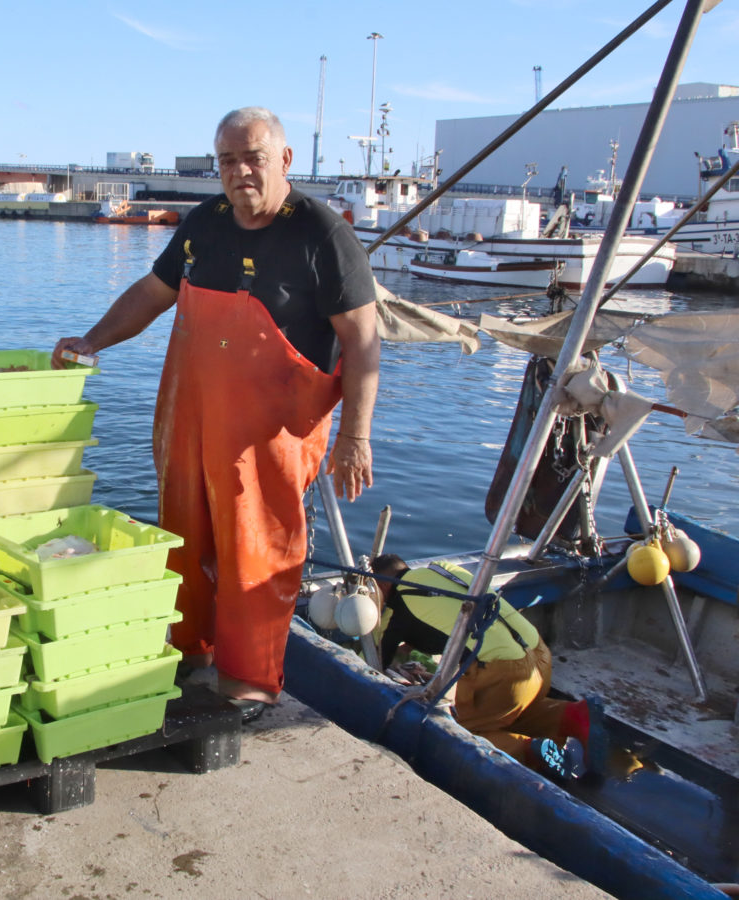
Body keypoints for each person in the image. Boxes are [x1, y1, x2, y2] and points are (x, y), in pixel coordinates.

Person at [53, 107, 380, 722]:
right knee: (183, 541)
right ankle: (188, 654)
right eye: (227, 160)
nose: (240, 171)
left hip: (270, 439)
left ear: (284, 159)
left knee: (257, 553)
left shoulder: (323, 234)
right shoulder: (205, 222)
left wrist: (356, 436)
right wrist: (93, 340)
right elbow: (153, 293)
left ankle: (248, 684)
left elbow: (363, 341)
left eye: (254, 157)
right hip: (190, 420)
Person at [370, 554, 603, 779]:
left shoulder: (398, 604)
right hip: (538, 656)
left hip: (505, 673)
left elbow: (375, 659)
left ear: (383, 586)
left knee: (452, 727)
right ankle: (574, 716)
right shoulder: (444, 569)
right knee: (510, 712)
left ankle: (527, 750)